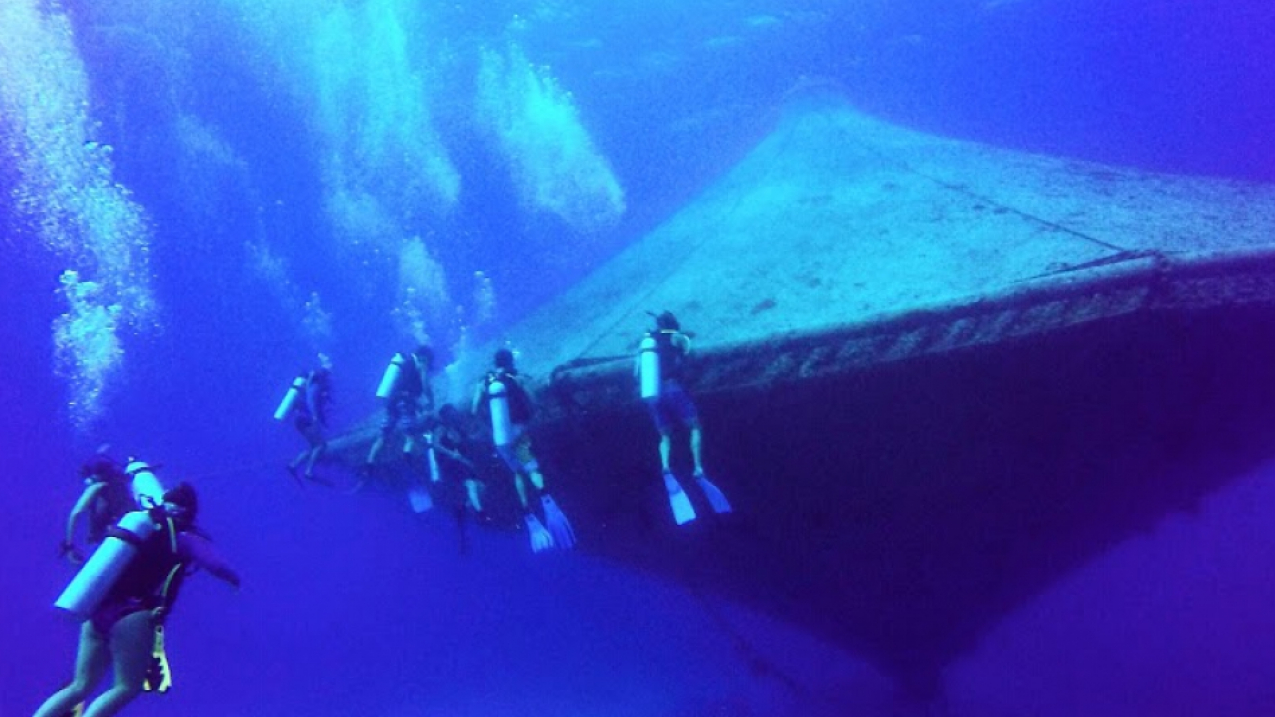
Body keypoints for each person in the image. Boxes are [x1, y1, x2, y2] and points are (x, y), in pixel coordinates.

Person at [33, 482, 241, 717]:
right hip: (133, 613)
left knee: (80, 686)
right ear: (190, 512)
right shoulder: (185, 536)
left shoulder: (141, 522)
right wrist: (235, 580)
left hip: (98, 606)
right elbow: (214, 565)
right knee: (126, 687)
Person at [472, 348, 575, 551]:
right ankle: (545, 497)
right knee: (532, 468)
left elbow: (475, 409)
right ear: (509, 361)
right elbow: (532, 401)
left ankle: (528, 513)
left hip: (500, 438)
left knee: (517, 473)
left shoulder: (483, 383)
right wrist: (529, 420)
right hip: (518, 434)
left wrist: (491, 429)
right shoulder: (515, 378)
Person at [639, 311, 732, 524]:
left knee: (664, 436)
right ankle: (698, 468)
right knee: (694, 427)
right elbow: (689, 352)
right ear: (673, 324)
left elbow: (639, 370)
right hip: (673, 388)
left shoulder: (647, 344)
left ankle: (666, 467)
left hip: (652, 394)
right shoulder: (676, 336)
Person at [60, 449, 135, 564]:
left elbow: (76, 513)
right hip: (135, 522)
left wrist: (69, 546)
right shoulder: (121, 482)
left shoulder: (98, 486)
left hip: (118, 535)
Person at [285, 353, 334, 484]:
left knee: (314, 446)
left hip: (298, 421)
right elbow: (311, 403)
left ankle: (293, 465)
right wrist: (315, 418)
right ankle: (308, 471)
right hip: (306, 420)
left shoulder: (302, 390)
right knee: (320, 446)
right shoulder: (313, 388)